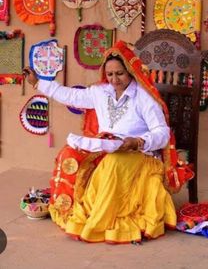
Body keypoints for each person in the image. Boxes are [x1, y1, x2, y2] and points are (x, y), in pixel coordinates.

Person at [23, 40, 177, 244]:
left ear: (131, 71)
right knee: (69, 153)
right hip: (105, 146)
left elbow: (162, 133)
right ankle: (69, 207)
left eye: (120, 73)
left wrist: (138, 142)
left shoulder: (144, 98)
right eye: (110, 74)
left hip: (138, 153)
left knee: (113, 163)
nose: (114, 79)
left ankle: (100, 220)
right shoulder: (100, 92)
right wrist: (38, 83)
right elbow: (71, 96)